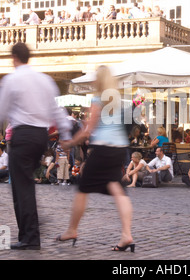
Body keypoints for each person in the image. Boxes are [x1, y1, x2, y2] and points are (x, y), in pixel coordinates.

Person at [0, 42, 72, 250]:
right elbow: (57, 110)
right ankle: (29, 230)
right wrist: (66, 135)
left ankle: (30, 236)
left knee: (21, 187)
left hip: (22, 136)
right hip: (41, 136)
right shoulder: (45, 80)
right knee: (25, 184)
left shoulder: (12, 79)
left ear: (14, 57)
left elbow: (1, 110)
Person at [56, 65, 134, 253]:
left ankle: (72, 230)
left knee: (82, 188)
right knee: (117, 189)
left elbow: (88, 131)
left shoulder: (98, 99)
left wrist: (69, 143)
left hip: (103, 148)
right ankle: (126, 235)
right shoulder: (117, 100)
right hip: (119, 148)